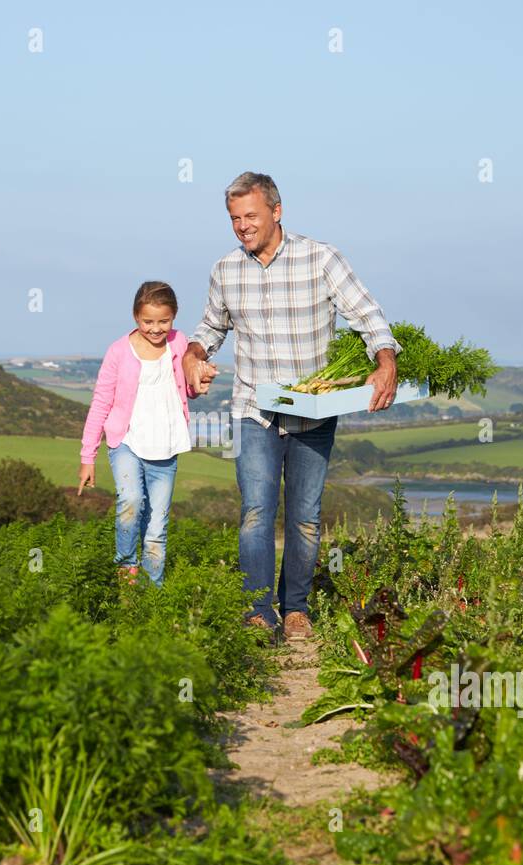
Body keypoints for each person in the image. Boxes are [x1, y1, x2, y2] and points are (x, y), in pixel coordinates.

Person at [183, 172, 399, 642]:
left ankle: (296, 607)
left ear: (276, 212)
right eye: (235, 219)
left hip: (312, 412)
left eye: (251, 216)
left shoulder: (321, 258)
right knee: (256, 510)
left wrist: (385, 361)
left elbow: (368, 315)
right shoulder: (226, 270)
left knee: (304, 514)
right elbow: (210, 328)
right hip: (252, 410)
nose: (242, 226)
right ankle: (257, 611)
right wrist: (193, 354)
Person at [79, 281, 195, 588]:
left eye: (163, 321)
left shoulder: (180, 343)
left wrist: (201, 381)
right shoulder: (119, 351)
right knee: (131, 500)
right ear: (135, 317)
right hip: (126, 441)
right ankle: (126, 568)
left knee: (156, 525)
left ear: (174, 318)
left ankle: (152, 591)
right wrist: (87, 456)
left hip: (166, 446)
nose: (156, 329)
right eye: (148, 321)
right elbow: (101, 402)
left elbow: (189, 389)